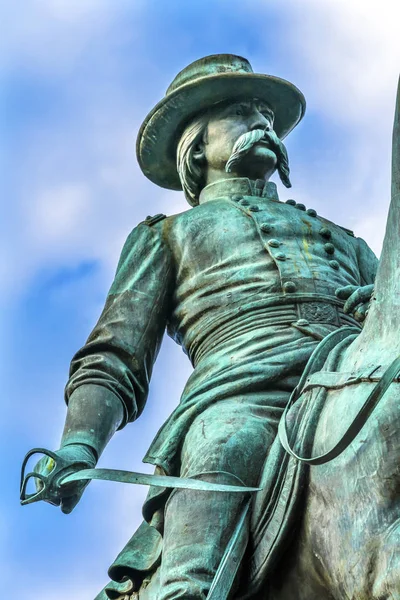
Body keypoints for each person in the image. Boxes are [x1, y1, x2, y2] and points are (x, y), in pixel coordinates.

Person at [34, 55, 378, 599]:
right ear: (196, 147)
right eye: (242, 114)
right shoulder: (167, 235)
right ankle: (184, 586)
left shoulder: (344, 239)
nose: (262, 124)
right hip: (244, 388)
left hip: (352, 368)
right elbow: (115, 353)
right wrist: (79, 444)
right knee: (226, 445)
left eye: (267, 114)